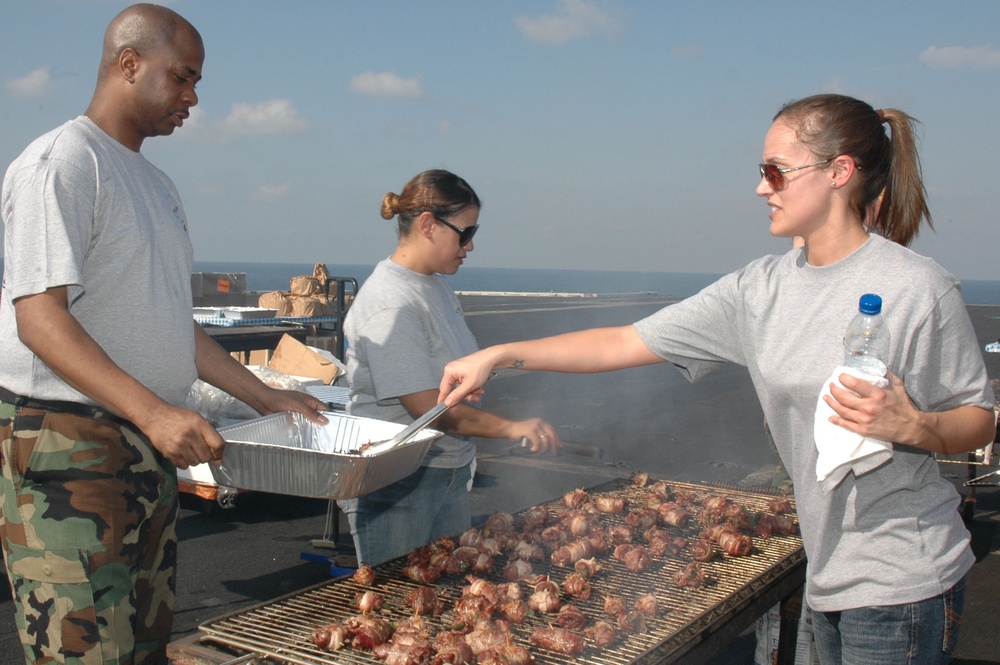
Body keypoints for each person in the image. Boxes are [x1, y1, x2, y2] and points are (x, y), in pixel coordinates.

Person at [438, 94, 995, 665]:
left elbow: (977, 419)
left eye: (775, 171)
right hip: (825, 570)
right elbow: (625, 340)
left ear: (839, 172)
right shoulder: (759, 289)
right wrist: (500, 354)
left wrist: (916, 424)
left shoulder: (918, 289)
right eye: (762, 172)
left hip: (902, 579)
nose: (761, 188)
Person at [0, 5, 326, 663]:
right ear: (129, 64)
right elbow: (39, 317)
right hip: (69, 447)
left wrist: (266, 397)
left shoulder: (156, 183)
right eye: (182, 77)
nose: (193, 97)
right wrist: (154, 412)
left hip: (144, 446)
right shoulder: (61, 163)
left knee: (143, 645)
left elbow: (173, 325)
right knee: (86, 653)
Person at [338, 169, 560, 565]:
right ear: (428, 225)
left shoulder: (434, 283)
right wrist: (511, 427)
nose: (470, 246)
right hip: (399, 488)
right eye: (465, 232)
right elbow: (426, 409)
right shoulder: (391, 301)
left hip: (447, 472)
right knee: (401, 608)